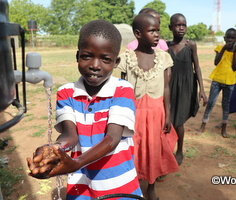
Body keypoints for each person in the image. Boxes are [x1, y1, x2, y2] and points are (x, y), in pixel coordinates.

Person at [27, 20, 143, 199]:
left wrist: (76, 162)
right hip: (81, 184)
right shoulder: (66, 93)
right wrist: (55, 149)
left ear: (116, 62)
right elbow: (69, 136)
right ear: (77, 55)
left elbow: (112, 138)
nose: (95, 65)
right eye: (87, 56)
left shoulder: (122, 90)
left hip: (118, 183)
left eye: (105, 59)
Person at [118, 13, 179, 200]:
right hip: (133, 113)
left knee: (153, 149)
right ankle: (132, 184)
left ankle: (151, 186)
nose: (157, 35)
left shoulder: (164, 57)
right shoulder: (127, 58)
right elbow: (121, 88)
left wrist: (168, 115)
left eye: (158, 30)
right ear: (138, 33)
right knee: (132, 149)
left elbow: (166, 88)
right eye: (151, 31)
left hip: (156, 113)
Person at [167, 13, 207, 165]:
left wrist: (201, 90)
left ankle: (179, 150)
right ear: (171, 27)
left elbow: (196, 67)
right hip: (169, 87)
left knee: (179, 121)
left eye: (183, 25)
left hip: (186, 87)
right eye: (177, 25)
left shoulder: (191, 45)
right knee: (168, 119)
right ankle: (166, 150)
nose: (181, 28)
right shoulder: (166, 46)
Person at [197, 28, 236, 138]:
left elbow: (235, 67)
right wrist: (223, 49)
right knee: (211, 103)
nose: (230, 40)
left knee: (225, 105)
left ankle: (224, 129)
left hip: (229, 82)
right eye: (228, 37)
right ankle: (203, 126)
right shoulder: (219, 48)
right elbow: (216, 62)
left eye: (233, 38)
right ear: (224, 38)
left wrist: (234, 53)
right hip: (217, 80)